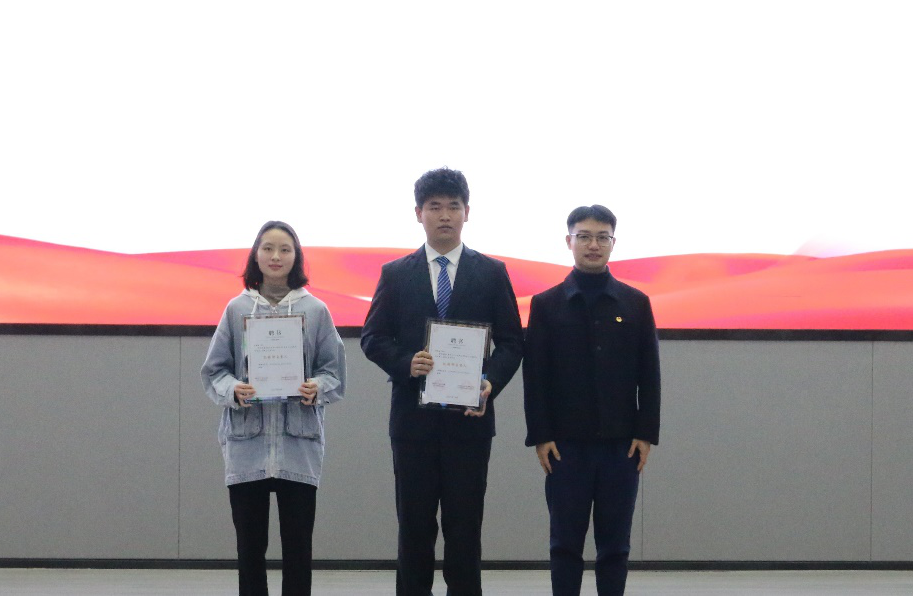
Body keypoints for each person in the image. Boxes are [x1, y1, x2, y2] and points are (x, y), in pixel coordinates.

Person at [361, 167, 524, 596]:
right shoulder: (396, 273)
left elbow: (512, 342)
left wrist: (490, 383)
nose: (445, 215)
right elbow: (373, 338)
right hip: (412, 425)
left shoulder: (491, 272)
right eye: (435, 207)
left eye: (454, 206)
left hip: (470, 423)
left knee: (465, 529)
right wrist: (406, 363)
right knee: (414, 528)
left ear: (468, 212)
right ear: (419, 213)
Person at [202, 220, 346, 596]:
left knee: (298, 549)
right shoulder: (236, 309)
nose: (276, 256)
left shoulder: (316, 310)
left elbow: (334, 372)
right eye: (267, 248)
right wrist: (234, 389)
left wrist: (317, 387)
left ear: (296, 256)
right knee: (250, 550)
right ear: (256, 255)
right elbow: (215, 371)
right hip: (247, 443)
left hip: (298, 444)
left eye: (285, 249)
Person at [522, 205, 661, 596]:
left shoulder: (635, 303)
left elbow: (649, 374)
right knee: (564, 544)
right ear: (569, 241)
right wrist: (541, 436)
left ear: (614, 243)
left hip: (622, 446)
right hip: (565, 447)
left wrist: (645, 433)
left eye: (602, 237)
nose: (593, 245)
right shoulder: (547, 304)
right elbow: (535, 377)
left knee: (615, 547)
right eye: (584, 236)